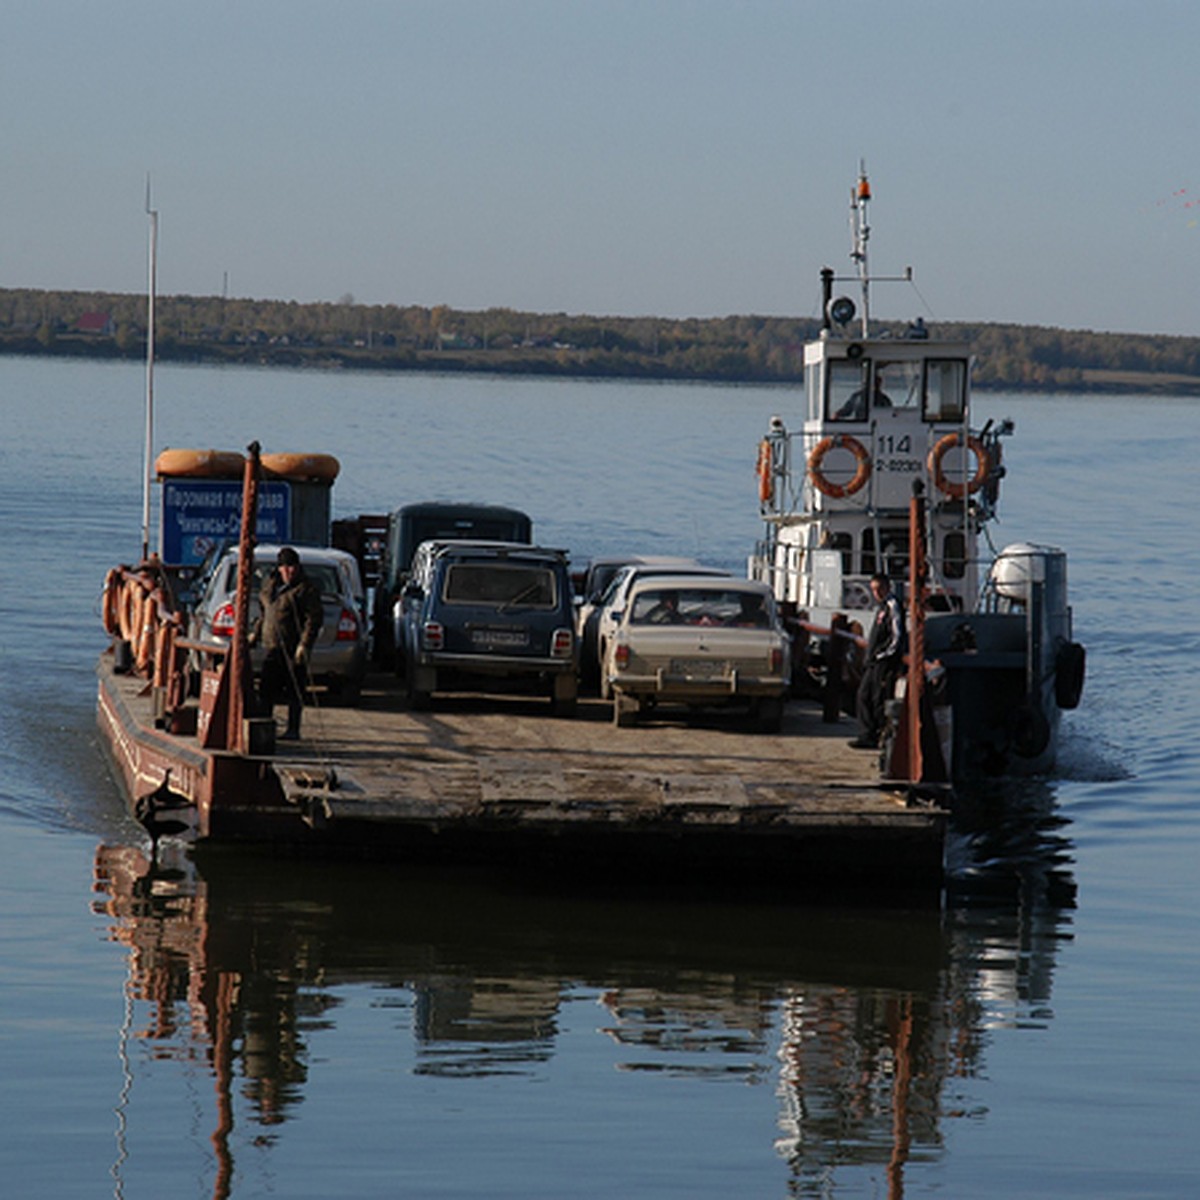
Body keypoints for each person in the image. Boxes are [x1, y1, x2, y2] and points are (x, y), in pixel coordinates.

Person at [255, 546, 324, 740]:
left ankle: (293, 730)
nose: (290, 571)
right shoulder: (270, 586)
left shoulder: (305, 589)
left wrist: (304, 645)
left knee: (294, 691)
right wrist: (256, 633)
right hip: (272, 646)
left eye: (293, 567)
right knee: (266, 690)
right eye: (286, 567)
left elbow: (314, 619)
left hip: (293, 648)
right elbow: (265, 612)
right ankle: (264, 729)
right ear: (279, 568)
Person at [849, 573, 904, 750]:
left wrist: (881, 655)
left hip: (884, 662)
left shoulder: (892, 605)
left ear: (887, 587)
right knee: (863, 695)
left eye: (879, 589)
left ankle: (875, 735)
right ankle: (867, 733)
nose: (876, 593)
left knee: (878, 698)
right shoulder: (881, 607)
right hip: (874, 661)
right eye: (873, 589)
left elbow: (897, 636)